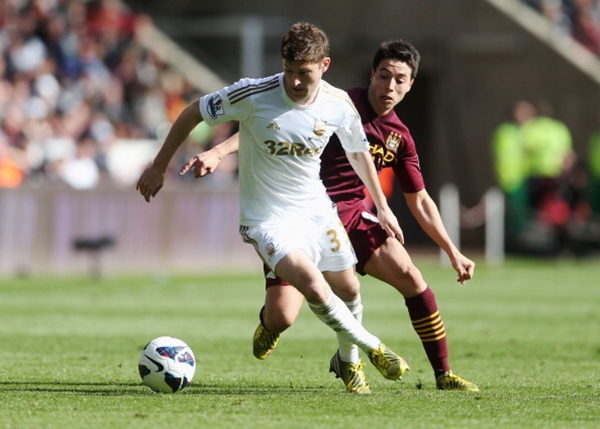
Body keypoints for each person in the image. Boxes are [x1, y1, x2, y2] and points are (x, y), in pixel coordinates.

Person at [191, 40, 479, 393]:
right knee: (283, 316)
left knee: (412, 278)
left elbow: (419, 200)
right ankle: (270, 324)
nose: (390, 86)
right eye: (384, 76)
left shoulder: (400, 138)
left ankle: (442, 374)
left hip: (356, 218)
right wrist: (220, 150)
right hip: (300, 216)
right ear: (372, 75)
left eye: (399, 80)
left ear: (410, 85)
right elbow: (268, 126)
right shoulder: (337, 102)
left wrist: (452, 251)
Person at [137, 22, 409, 388]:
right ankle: (375, 347)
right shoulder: (253, 93)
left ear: (324, 65)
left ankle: (349, 362)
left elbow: (359, 153)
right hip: (266, 219)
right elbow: (193, 113)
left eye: (305, 74)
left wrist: (383, 206)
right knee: (312, 284)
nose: (295, 82)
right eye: (290, 71)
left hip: (315, 211)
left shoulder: (338, 104)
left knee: (349, 290)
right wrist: (159, 166)